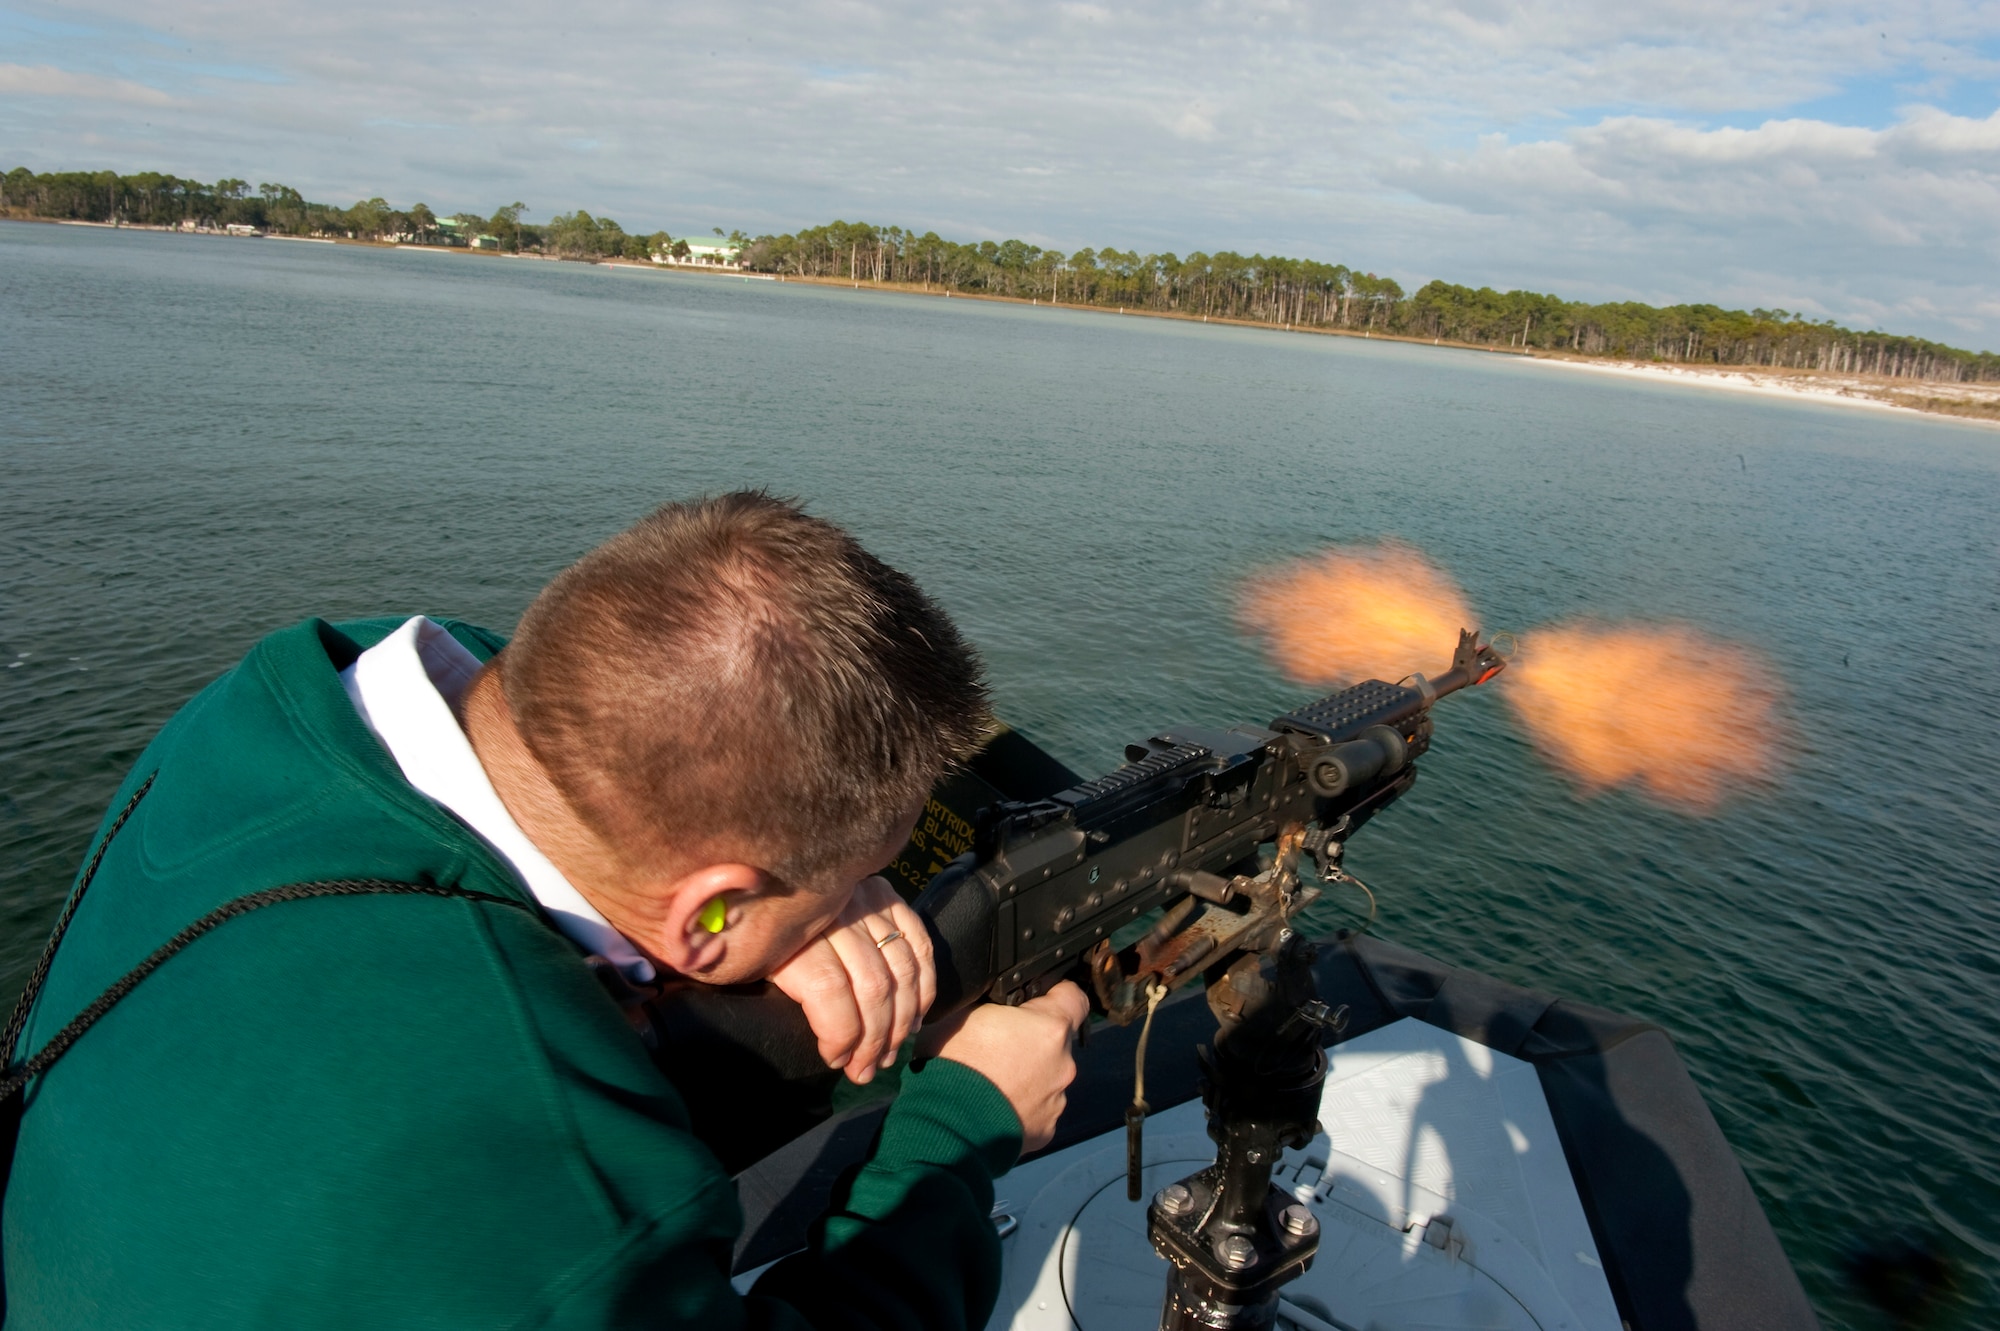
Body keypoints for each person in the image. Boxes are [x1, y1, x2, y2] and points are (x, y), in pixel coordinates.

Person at [0, 491, 1088, 1329]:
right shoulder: (554, 1183)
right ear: (706, 907)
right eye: (849, 885)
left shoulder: (279, 708)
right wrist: (959, 1129)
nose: (863, 906)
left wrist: (784, 915)